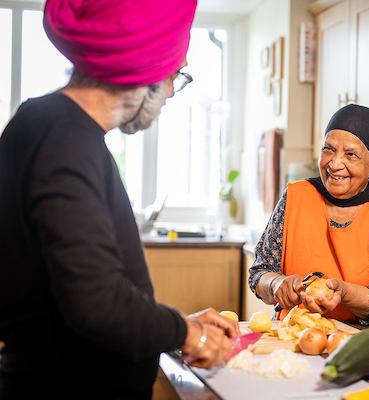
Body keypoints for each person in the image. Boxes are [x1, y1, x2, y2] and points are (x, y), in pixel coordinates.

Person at [0, 1, 239, 398]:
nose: (170, 94)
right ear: (146, 75)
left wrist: (173, 324)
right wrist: (187, 332)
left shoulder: (47, 124)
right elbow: (96, 301)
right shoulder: (65, 139)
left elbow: (76, 289)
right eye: (175, 76)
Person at [249, 104, 369, 325]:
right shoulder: (295, 197)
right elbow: (259, 272)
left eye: (351, 155)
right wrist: (276, 285)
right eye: (328, 149)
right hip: (294, 335)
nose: (335, 164)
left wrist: (344, 294)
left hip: (362, 343)